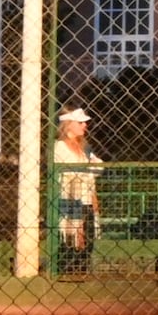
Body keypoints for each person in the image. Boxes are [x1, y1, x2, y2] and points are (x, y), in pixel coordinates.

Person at [55, 101, 104, 267]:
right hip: (70, 202)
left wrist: (86, 172)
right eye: (80, 122)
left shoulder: (85, 147)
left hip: (87, 200)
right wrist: (87, 171)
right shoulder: (60, 147)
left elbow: (99, 167)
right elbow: (72, 174)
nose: (85, 125)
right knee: (70, 245)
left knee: (87, 246)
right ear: (68, 124)